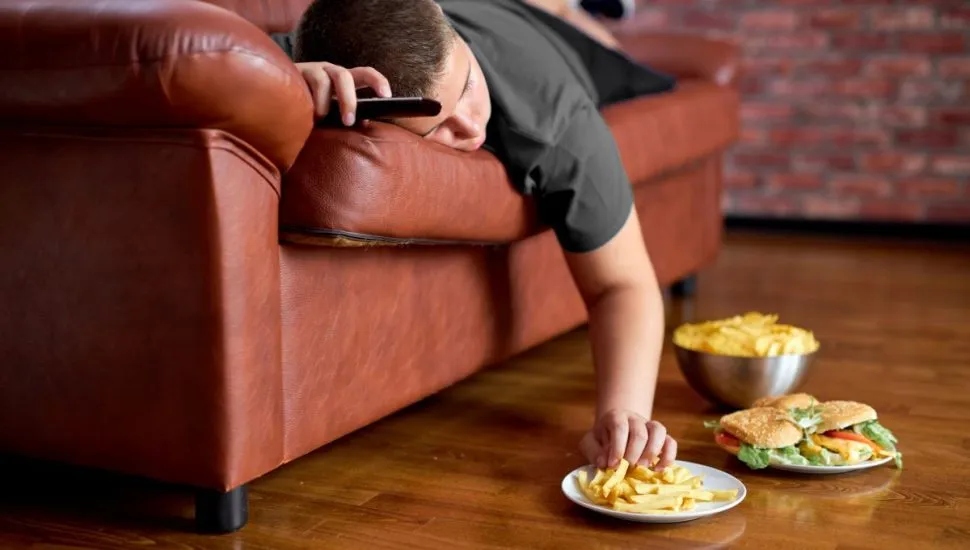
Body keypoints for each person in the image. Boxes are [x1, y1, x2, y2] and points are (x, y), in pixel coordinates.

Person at [272, 0, 679, 471]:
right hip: (487, 13)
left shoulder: (554, 120)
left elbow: (622, 284)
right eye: (438, 126)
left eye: (467, 85)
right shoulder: (323, 55)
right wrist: (280, 88)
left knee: (583, 27)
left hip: (569, 47)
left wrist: (623, 412)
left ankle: (571, 10)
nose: (469, 125)